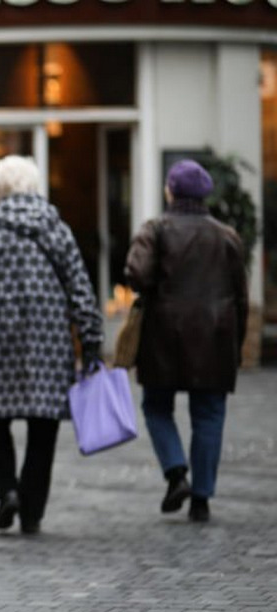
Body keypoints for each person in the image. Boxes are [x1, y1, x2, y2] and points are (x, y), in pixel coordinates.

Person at [0, 155, 102, 535]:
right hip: (50, 344)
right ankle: (32, 509)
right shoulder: (57, 229)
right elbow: (80, 289)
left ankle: (7, 490)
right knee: (44, 426)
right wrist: (91, 342)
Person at [124, 159, 246, 523]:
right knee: (209, 414)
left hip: (164, 335)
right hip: (216, 338)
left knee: (156, 406)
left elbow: (135, 273)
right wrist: (236, 345)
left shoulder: (156, 229)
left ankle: (176, 473)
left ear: (171, 190)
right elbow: (240, 296)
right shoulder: (227, 236)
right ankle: (202, 498)